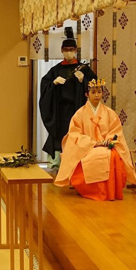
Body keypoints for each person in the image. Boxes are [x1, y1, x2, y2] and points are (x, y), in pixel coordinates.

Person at [54, 79, 136, 200]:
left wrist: (108, 140)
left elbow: (116, 131)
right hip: (87, 148)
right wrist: (91, 143)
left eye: (99, 92)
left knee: (113, 156)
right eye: (93, 92)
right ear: (86, 94)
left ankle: (109, 191)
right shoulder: (79, 114)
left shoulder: (110, 113)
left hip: (105, 146)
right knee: (91, 157)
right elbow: (74, 134)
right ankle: (91, 189)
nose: (96, 95)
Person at [39, 27, 98, 168]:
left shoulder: (83, 69)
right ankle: (57, 164)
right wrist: (53, 84)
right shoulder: (56, 70)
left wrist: (83, 81)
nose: (69, 52)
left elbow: (95, 87)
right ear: (61, 50)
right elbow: (45, 86)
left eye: (71, 49)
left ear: (76, 50)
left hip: (78, 110)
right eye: (66, 50)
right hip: (60, 112)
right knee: (59, 135)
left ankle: (79, 164)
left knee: (78, 136)